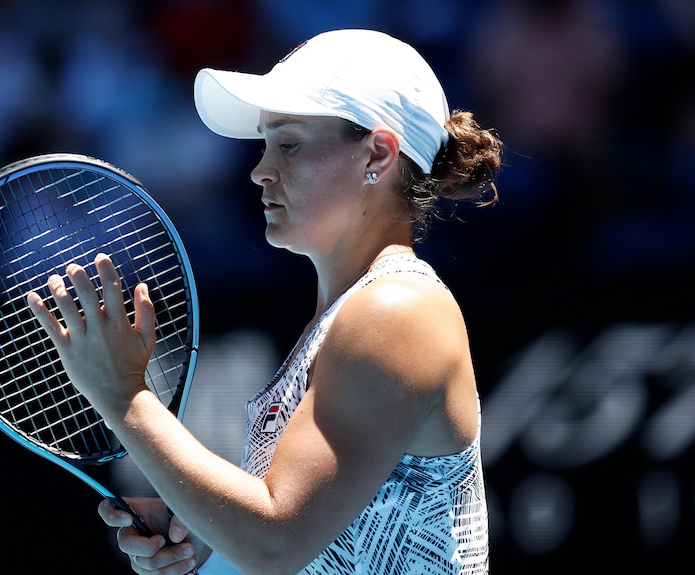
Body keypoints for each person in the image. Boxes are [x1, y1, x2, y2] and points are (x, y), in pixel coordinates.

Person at [27, 29, 503, 575]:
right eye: (265, 145)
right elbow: (299, 544)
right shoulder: (348, 314)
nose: (260, 170)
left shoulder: (396, 310)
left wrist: (124, 398)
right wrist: (208, 540)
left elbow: (277, 542)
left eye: (290, 144)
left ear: (377, 154)